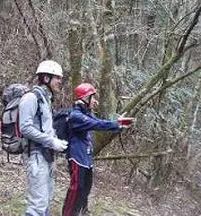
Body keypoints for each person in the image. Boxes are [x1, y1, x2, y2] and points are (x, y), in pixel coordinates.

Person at [62, 83, 135, 216]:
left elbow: (100, 121)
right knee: (76, 188)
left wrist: (118, 124)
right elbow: (97, 124)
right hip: (77, 157)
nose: (95, 101)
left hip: (86, 157)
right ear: (85, 98)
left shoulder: (86, 113)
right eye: (92, 97)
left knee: (86, 188)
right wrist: (117, 123)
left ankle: (82, 212)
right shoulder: (76, 115)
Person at [19, 60, 69, 216]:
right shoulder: (31, 98)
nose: (60, 82)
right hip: (36, 156)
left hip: (47, 155)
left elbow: (46, 128)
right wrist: (51, 141)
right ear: (46, 78)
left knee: (46, 200)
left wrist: (55, 142)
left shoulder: (46, 99)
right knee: (37, 205)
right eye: (57, 78)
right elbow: (25, 128)